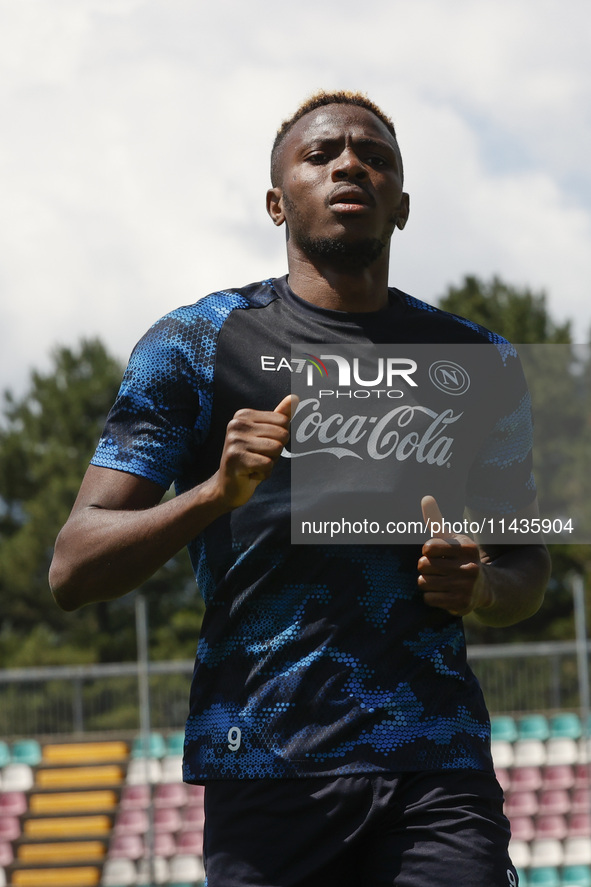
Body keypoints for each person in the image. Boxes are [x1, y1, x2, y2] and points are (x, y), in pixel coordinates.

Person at [50, 91, 551, 887]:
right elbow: (74, 566)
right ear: (277, 202)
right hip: (265, 762)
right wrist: (214, 492)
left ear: (403, 204)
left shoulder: (479, 358)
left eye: (374, 155)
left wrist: (482, 583)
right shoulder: (196, 342)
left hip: (436, 763)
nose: (350, 163)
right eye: (321, 154)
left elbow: (526, 571)